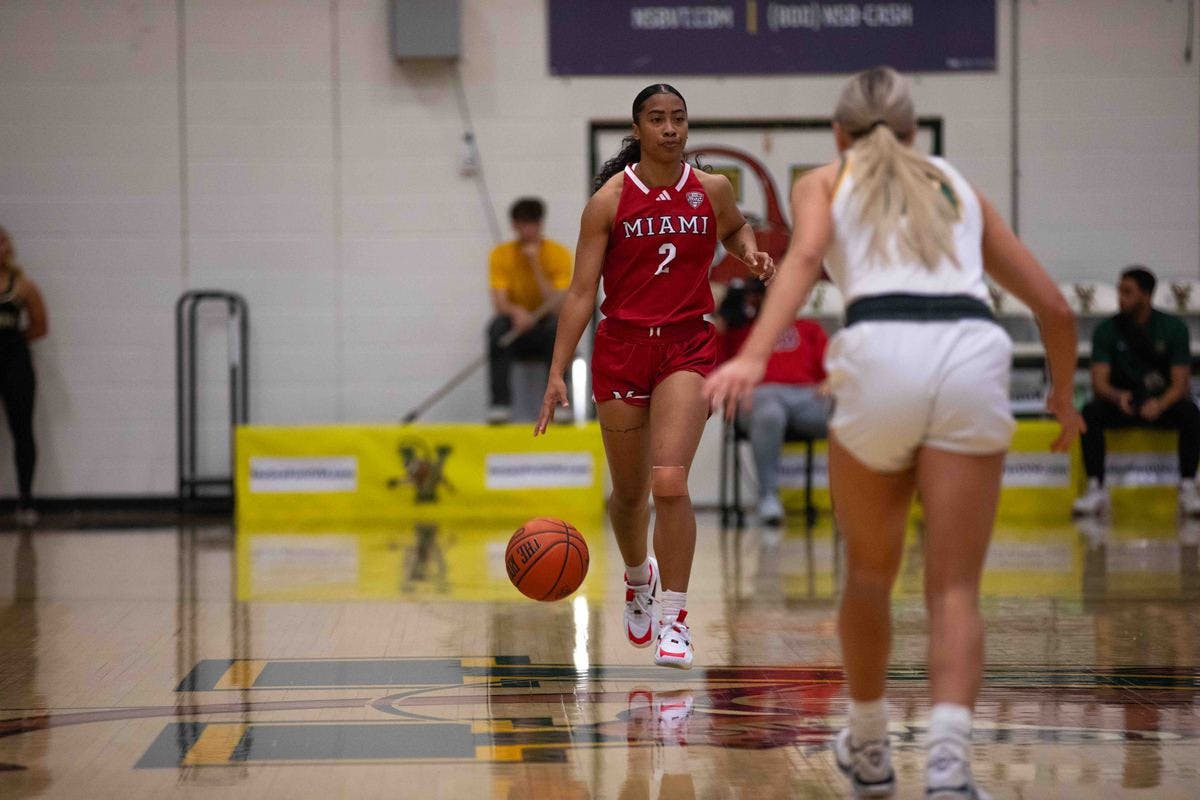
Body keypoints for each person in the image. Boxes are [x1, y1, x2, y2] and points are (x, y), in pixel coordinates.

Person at [704, 66, 1083, 798]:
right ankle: (948, 767)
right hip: (971, 352)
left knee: (870, 576)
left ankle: (871, 747)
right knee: (955, 589)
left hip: (879, 352)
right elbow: (1055, 311)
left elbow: (805, 259)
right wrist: (1063, 398)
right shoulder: (958, 187)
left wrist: (752, 356)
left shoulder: (825, 179)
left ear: (837, 133)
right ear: (913, 132)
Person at [534, 84, 775, 669]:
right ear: (637, 128)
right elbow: (581, 292)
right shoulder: (608, 201)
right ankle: (638, 577)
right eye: (658, 119)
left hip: (686, 346)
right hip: (622, 348)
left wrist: (748, 251)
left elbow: (734, 228)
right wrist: (557, 370)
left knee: (669, 480)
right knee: (629, 495)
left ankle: (676, 618)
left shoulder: (712, 189)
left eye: (679, 119)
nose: (670, 129)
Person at [1072, 266, 1200, 516]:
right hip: (1123, 403)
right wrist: (1117, 396)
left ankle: (1187, 486)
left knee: (1191, 413)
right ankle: (1096, 487)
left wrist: (1160, 404)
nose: (1121, 298)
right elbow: (1099, 382)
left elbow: (1180, 384)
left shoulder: (1174, 329)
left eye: (1127, 292)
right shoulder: (1106, 330)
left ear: (1146, 295)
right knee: (1089, 413)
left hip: (1159, 405)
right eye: (1119, 291)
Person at [714, 278, 831, 525]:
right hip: (759, 399)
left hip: (805, 397)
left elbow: (832, 371)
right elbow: (716, 367)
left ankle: (851, 501)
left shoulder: (808, 328)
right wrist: (722, 323)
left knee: (842, 415)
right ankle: (769, 497)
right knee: (770, 412)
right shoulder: (740, 329)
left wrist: (829, 384)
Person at [486, 198, 573, 423]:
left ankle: (560, 404)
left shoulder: (559, 254)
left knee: (560, 329)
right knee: (496, 328)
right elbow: (500, 302)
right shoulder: (501, 254)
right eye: (523, 224)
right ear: (514, 225)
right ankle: (500, 405)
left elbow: (558, 305)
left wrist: (535, 265)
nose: (528, 230)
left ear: (541, 224)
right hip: (517, 326)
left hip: (546, 323)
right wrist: (517, 313)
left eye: (533, 224)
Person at [0, 226, 48, 526]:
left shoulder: (23, 286)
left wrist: (13, 343)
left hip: (14, 362)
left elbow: (41, 326)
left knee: (22, 430)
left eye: (2, 242)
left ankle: (26, 500)